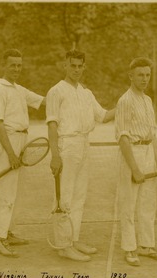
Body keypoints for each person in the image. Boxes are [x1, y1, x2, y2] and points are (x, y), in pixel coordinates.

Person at [46, 49, 115, 262]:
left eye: (80, 66)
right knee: (64, 197)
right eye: (72, 65)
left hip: (84, 144)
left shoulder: (86, 93)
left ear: (84, 67)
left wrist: (125, 103)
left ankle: (73, 240)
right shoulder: (56, 91)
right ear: (64, 65)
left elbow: (103, 116)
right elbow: (52, 125)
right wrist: (55, 155)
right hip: (67, 146)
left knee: (79, 197)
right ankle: (63, 245)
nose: (76, 70)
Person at [0, 49, 45, 258]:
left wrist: (66, 93)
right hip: (8, 143)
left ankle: (8, 232)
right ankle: (0, 239)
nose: (16, 69)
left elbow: (44, 101)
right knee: (5, 193)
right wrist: (11, 153)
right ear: (4, 65)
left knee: (16, 193)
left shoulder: (19, 90)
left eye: (19, 65)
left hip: (22, 141)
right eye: (12, 65)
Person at [115, 57, 157, 267]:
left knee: (148, 203)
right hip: (131, 155)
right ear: (131, 76)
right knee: (129, 204)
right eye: (140, 75)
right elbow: (123, 138)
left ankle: (147, 245)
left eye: (148, 75)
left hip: (147, 153)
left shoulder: (147, 101)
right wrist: (135, 168)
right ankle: (130, 248)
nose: (145, 79)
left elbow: (151, 135)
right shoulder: (125, 101)